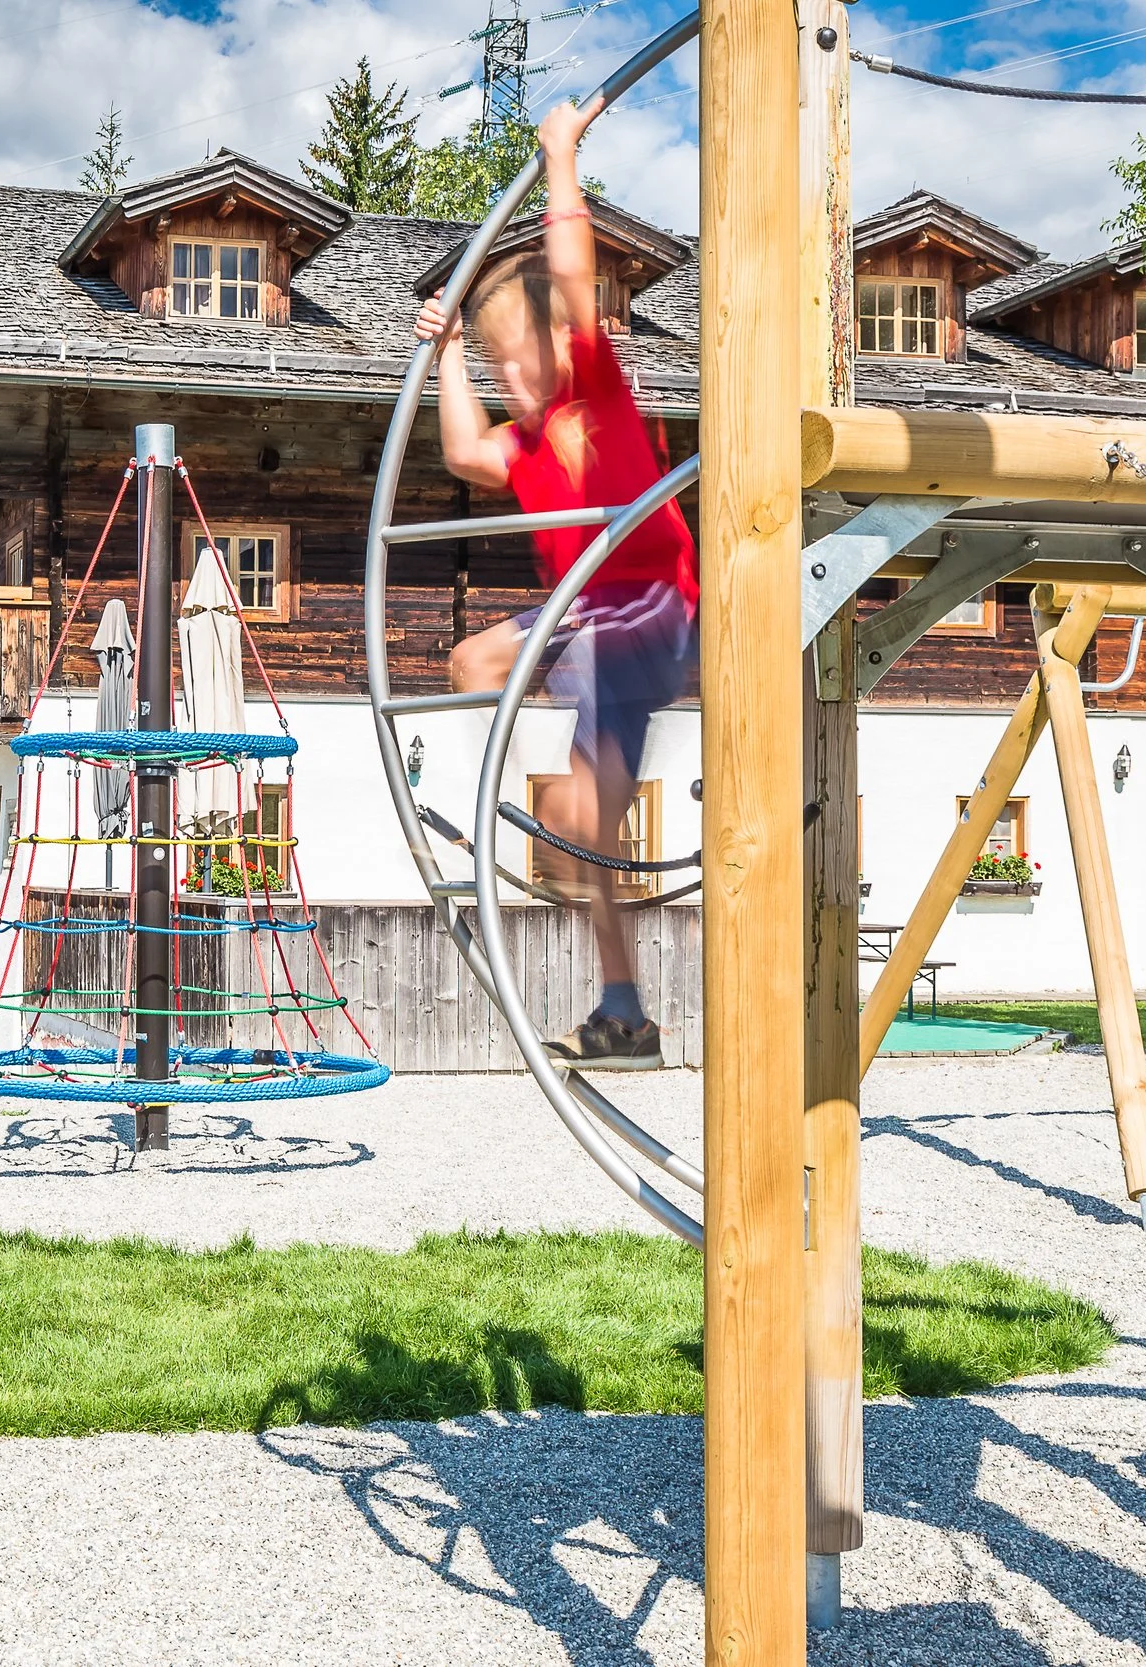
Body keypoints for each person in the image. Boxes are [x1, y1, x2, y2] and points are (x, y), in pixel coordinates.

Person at [414, 98, 697, 1071]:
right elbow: (462, 450)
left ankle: (575, 800)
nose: (517, 379)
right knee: (473, 664)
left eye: (524, 358)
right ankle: (623, 1011)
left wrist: (560, 154)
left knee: (580, 815)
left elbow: (570, 271)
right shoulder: (523, 442)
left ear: (561, 344)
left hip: (650, 603)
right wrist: (449, 351)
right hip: (583, 610)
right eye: (501, 368)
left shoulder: (593, 389)